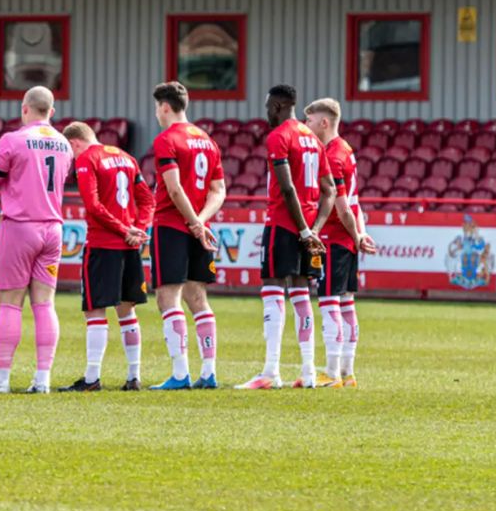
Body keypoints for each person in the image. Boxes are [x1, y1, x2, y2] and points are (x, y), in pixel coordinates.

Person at [238, 85, 337, 390]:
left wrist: (304, 230)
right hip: (308, 226)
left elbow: (287, 188)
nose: (267, 112)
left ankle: (270, 371)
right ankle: (308, 372)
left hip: (283, 224)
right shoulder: (314, 140)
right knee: (301, 293)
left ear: (279, 106)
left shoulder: (279, 136)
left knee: (272, 290)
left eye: (269, 107)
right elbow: (330, 190)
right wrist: (314, 229)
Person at [0, 87, 72, 394]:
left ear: (24, 108)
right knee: (44, 304)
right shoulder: (64, 143)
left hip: (20, 226)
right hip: (53, 229)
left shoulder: (13, 140)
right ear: (51, 112)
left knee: (10, 304)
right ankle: (42, 379)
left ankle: (1, 377)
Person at [58, 120, 155, 392]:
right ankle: (134, 376)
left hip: (103, 244)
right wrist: (139, 229)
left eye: (69, 151)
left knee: (95, 310)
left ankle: (92, 378)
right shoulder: (126, 157)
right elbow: (148, 200)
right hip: (130, 247)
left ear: (74, 143)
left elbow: (93, 204)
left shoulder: (87, 159)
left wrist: (125, 229)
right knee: (127, 311)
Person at [147, 82, 226, 390]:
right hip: (200, 227)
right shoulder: (208, 140)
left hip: (172, 224)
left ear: (165, 107)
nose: (157, 113)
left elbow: (174, 188)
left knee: (168, 296)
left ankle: (180, 373)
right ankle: (209, 371)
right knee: (197, 296)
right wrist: (202, 222)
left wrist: (193, 222)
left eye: (157, 107)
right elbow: (219, 190)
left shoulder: (166, 139)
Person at [304, 98, 376, 388]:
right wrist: (360, 233)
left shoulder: (332, 156)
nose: (306, 126)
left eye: (309, 121)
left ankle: (332, 372)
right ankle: (347, 372)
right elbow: (356, 204)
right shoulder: (346, 150)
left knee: (329, 300)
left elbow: (343, 207)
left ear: (324, 122)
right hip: (346, 239)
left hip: (334, 238)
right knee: (346, 302)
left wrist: (357, 235)